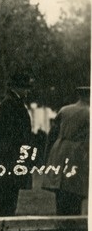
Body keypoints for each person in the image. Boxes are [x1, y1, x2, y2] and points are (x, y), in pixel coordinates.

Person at [0, 79, 33, 217]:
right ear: (17, 88)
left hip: (9, 156)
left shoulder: (13, 102)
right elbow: (9, 132)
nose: (27, 91)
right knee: (6, 198)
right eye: (25, 88)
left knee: (8, 197)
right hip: (8, 157)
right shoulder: (11, 104)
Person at [42, 86, 90, 215]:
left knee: (61, 194)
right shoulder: (88, 113)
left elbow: (52, 135)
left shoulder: (65, 110)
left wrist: (47, 158)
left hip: (59, 152)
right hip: (78, 155)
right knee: (75, 196)